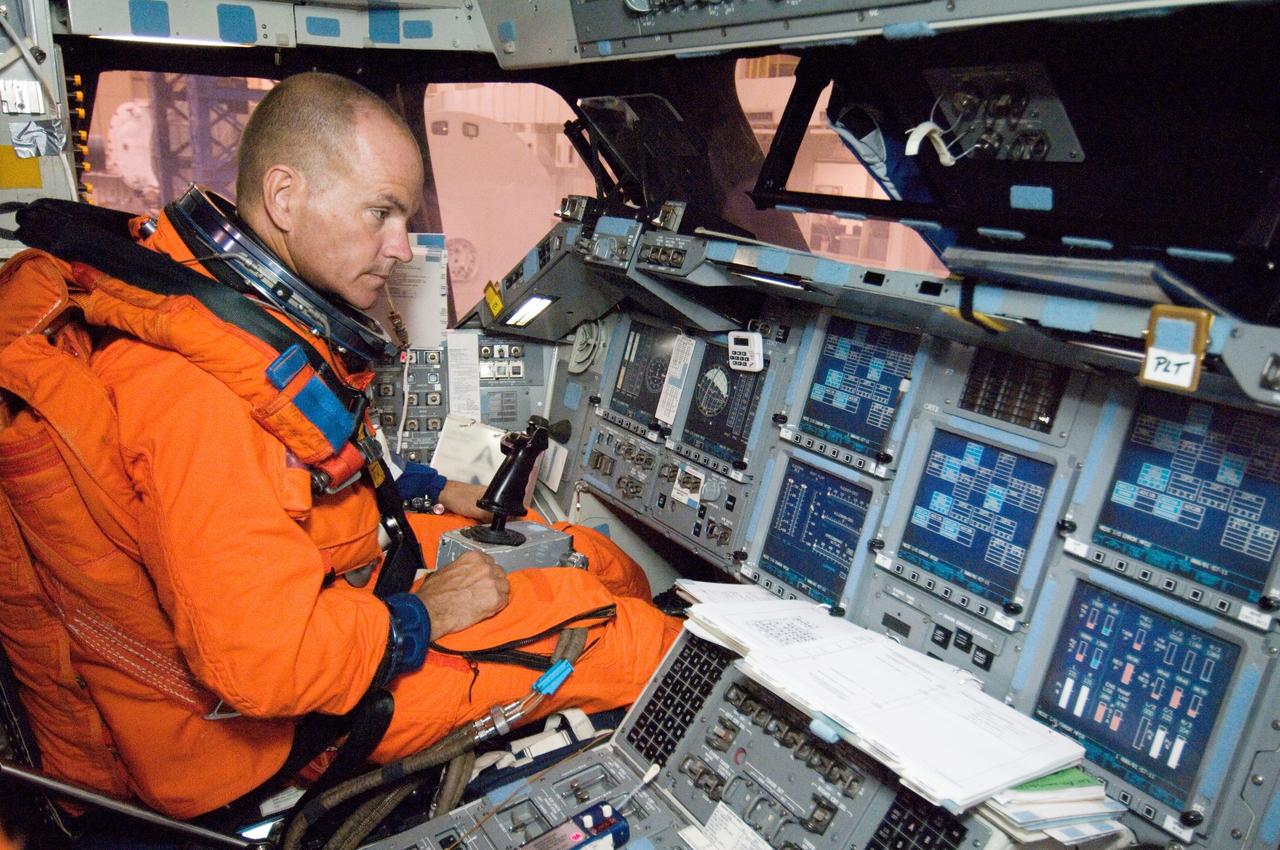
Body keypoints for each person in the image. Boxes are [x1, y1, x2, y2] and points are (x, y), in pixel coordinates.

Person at [0, 72, 680, 821]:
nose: (400, 247)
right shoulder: (194, 398)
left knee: (592, 556)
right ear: (286, 198)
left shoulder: (205, 304)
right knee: (631, 641)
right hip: (272, 727)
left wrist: (421, 488)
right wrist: (426, 617)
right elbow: (266, 666)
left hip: (330, 595)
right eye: (381, 212)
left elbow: (297, 482)